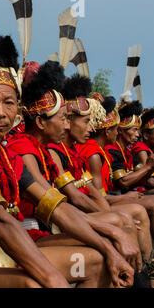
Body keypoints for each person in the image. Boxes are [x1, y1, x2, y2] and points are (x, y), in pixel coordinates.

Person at [0, 36, 114, 288]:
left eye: (9, 103)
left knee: (101, 252)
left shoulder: (7, 154)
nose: (1, 113)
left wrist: (111, 235)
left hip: (8, 245)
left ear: (18, 111)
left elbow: (55, 205)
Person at [6, 61, 136, 288]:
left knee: (116, 226)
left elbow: (65, 203)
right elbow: (61, 205)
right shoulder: (23, 149)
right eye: (64, 118)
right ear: (40, 122)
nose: (67, 126)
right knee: (109, 235)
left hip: (41, 229)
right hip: (26, 234)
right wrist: (110, 229)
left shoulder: (42, 151)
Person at [47, 75, 153, 281]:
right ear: (67, 121)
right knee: (125, 217)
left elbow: (93, 192)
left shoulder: (74, 152)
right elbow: (75, 198)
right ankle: (139, 279)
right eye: (87, 122)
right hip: (59, 221)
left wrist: (112, 212)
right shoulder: (56, 151)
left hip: (78, 214)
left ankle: (146, 274)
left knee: (130, 214)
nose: (91, 128)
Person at [77, 94, 154, 283]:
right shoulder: (94, 152)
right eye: (115, 129)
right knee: (139, 209)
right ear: (108, 132)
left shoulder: (100, 150)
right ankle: (143, 277)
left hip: (97, 203)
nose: (118, 133)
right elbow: (100, 195)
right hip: (83, 210)